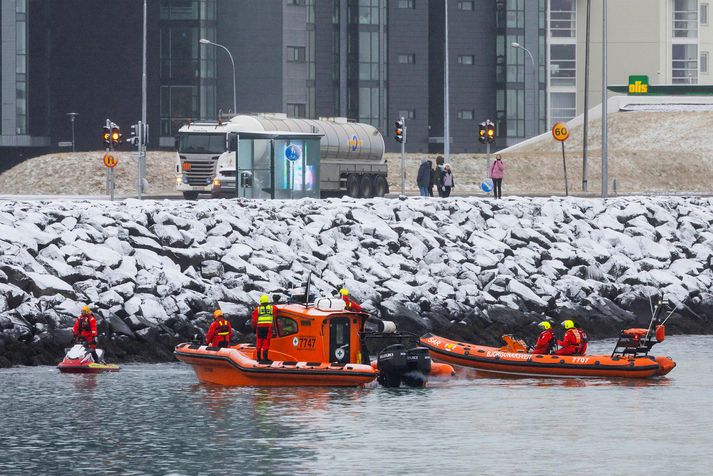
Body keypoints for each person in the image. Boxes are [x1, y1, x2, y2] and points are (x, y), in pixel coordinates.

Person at [251, 294, 277, 362]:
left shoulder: (258, 309)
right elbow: (276, 309)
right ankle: (265, 358)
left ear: (261, 301)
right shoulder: (271, 308)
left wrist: (254, 328)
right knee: (266, 342)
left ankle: (258, 358)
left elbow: (254, 320)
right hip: (268, 328)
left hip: (259, 328)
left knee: (259, 342)